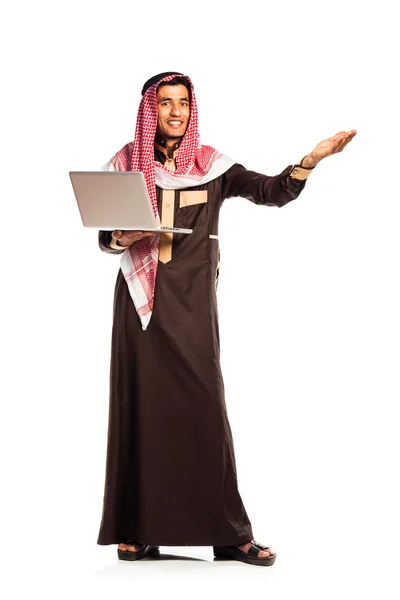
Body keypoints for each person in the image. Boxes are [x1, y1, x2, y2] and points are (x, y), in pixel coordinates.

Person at [96, 71, 357, 567]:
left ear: (192, 111)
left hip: (191, 306)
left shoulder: (213, 166)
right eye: (166, 103)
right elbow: (105, 238)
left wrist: (310, 160)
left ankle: (229, 535)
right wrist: (120, 239)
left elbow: (272, 191)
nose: (176, 112)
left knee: (204, 410)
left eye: (184, 104)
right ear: (151, 109)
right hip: (139, 305)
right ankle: (137, 529)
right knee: (141, 410)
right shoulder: (127, 165)